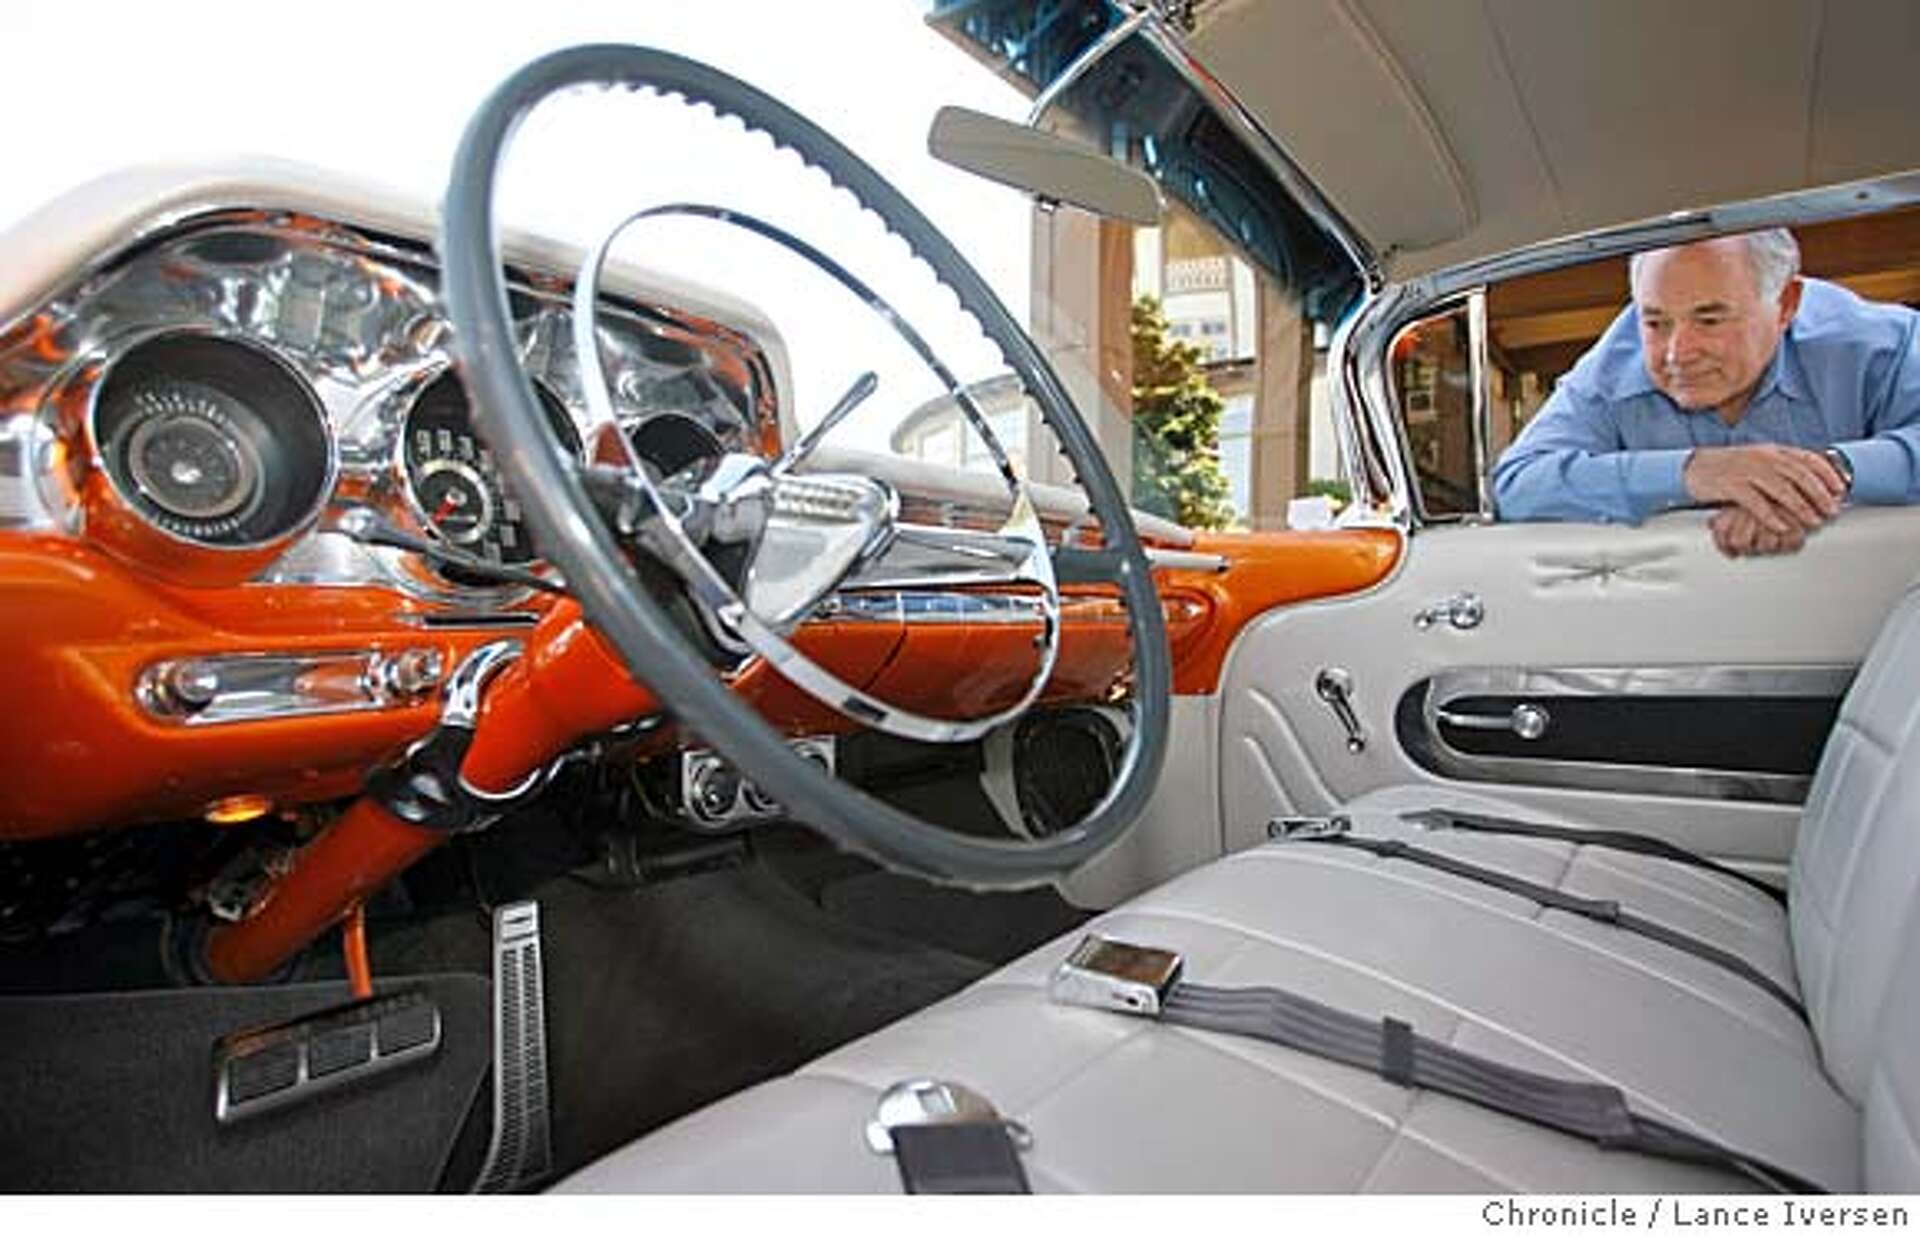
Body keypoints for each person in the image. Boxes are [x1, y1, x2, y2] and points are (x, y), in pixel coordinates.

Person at [1491, 228, 1920, 556]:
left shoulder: (1882, 343)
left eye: (1710, 320)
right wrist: (1696, 473)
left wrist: (1819, 479)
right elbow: (1518, 484)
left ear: (1786, 304)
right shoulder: (1612, 367)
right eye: (1656, 322)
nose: (1678, 353)